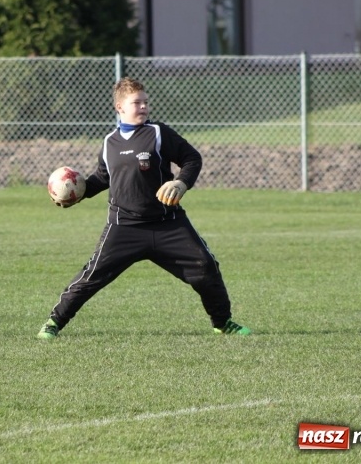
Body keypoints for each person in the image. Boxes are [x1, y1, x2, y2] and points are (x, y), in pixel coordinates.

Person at [36, 77, 250, 339]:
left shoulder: (158, 133)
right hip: (123, 227)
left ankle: (223, 322)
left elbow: (192, 158)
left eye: (146, 102)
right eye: (137, 102)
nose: (144, 107)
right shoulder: (109, 142)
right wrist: (75, 193)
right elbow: (103, 178)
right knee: (91, 277)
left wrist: (181, 183)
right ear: (120, 107)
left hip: (167, 224)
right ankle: (53, 323)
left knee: (206, 267)